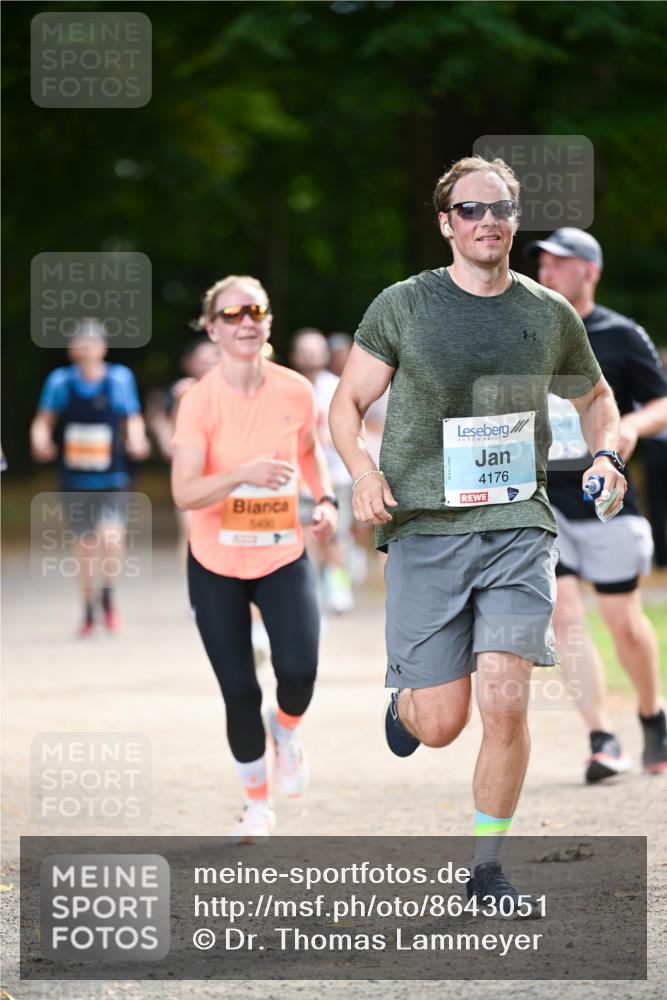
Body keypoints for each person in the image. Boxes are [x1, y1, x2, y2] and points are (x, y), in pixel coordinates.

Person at [330, 156, 627, 912]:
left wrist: (604, 453)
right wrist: (363, 473)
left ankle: (486, 870)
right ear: (445, 222)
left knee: (504, 700)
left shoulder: (546, 312)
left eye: (498, 209)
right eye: (469, 209)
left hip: (516, 525)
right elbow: (347, 403)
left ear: (512, 220)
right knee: (441, 722)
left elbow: (596, 396)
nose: (485, 220)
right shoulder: (403, 305)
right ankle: (403, 707)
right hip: (424, 526)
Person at [171, 275, 337, 842]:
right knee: (239, 689)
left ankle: (285, 731)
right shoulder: (198, 402)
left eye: (257, 310)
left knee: (298, 672)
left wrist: (327, 500)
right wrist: (243, 473)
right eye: (232, 313)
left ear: (268, 322)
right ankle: (256, 803)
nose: (246, 321)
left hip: (281, 552)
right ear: (213, 328)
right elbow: (184, 493)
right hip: (215, 561)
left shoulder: (295, 391)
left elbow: (310, 454)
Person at [527, 227, 667, 779]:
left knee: (623, 622)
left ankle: (653, 716)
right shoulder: (526, 329)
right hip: (543, 497)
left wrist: (629, 426)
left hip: (603, 496)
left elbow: (661, 402)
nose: (548, 271)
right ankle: (601, 738)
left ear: (591, 271)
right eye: (543, 263)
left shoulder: (619, 334)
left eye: (561, 263)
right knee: (563, 613)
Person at [30, 319, 150, 636]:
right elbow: (43, 420)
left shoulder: (119, 379)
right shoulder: (60, 382)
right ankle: (87, 609)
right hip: (75, 479)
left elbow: (133, 416)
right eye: (80, 344)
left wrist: (137, 438)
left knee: (112, 538)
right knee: (84, 546)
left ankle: (108, 593)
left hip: (113, 476)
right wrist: (40, 439)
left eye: (92, 344)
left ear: (103, 348)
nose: (86, 350)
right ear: (72, 350)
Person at [289, 329, 355, 613]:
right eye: (305, 350)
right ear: (294, 355)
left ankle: (338, 588)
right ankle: (308, 589)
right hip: (297, 478)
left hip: (335, 476)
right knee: (303, 536)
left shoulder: (338, 387)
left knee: (336, 536)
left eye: (316, 350)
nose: (311, 356)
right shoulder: (287, 388)